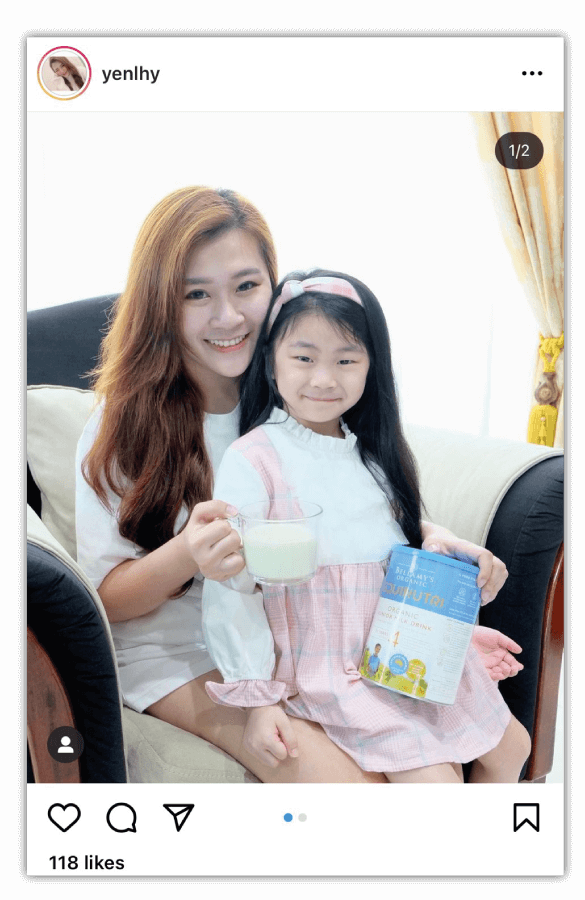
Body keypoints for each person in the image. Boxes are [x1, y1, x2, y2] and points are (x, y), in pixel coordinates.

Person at [75, 186, 516, 784]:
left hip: (307, 641)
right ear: (160, 304)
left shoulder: (300, 394)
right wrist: (189, 553)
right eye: (196, 294)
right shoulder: (126, 423)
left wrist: (432, 535)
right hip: (177, 655)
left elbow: (351, 504)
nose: (228, 316)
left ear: (274, 288)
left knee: (479, 753)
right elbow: (103, 599)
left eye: (246, 286)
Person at [202, 270, 531, 782]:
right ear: (270, 362)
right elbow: (233, 589)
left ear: (371, 366)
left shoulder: (373, 456)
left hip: (401, 654)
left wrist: (441, 543)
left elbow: (389, 534)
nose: (324, 379)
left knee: (514, 748)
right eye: (304, 358)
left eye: (346, 360)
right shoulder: (254, 459)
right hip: (333, 672)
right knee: (437, 783)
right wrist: (258, 701)